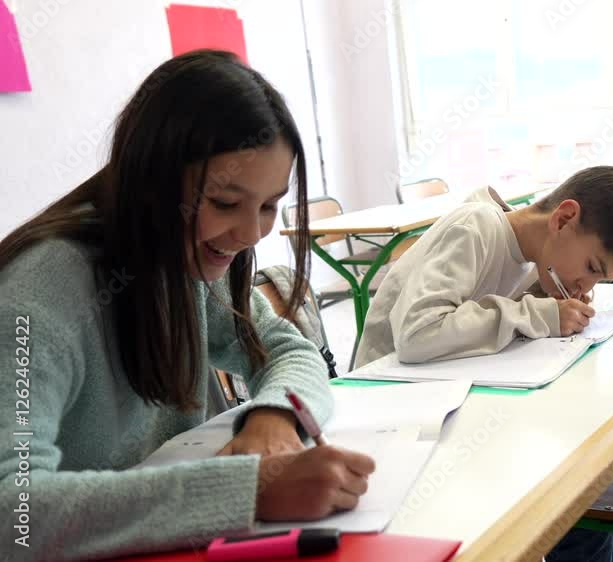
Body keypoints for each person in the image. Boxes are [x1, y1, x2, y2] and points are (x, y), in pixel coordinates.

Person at [0, 50, 374, 561]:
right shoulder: (33, 303)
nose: (248, 234)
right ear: (153, 180)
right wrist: (250, 490)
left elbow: (290, 349)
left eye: (268, 205)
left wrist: (274, 416)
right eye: (224, 203)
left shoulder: (183, 258)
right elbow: (11, 512)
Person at [355, 166, 613, 562]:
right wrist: (539, 314)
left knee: (603, 485)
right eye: (592, 268)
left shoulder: (531, 255)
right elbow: (418, 335)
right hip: (394, 418)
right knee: (576, 507)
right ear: (564, 218)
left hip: (451, 401)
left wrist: (544, 298)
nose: (587, 287)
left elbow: (482, 312)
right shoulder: (477, 225)